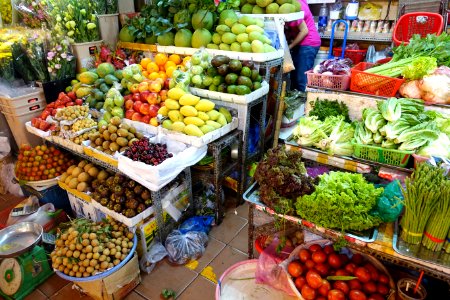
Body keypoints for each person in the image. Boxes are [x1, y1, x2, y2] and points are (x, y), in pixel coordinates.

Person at [287, 0, 321, 92]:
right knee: (294, 79)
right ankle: (296, 103)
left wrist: (290, 46)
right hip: (301, 43)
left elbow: (304, 31)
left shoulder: (295, 6)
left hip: (308, 43)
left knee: (301, 80)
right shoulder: (296, 3)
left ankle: (304, 103)